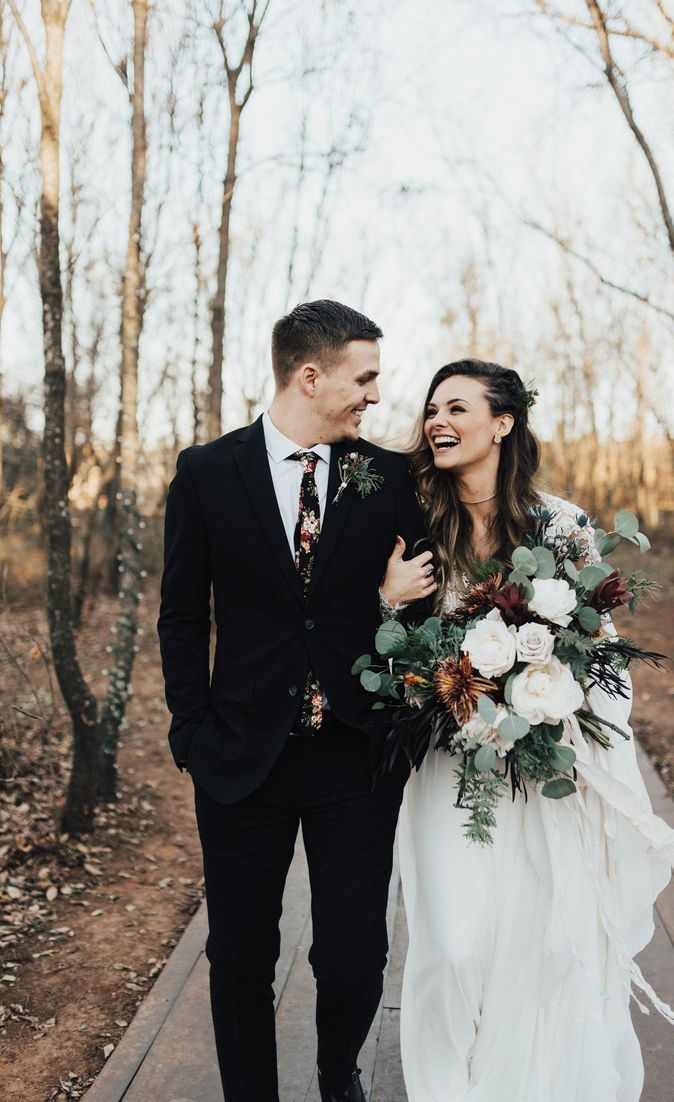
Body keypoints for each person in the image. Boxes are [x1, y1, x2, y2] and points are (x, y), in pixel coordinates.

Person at [379, 359, 674, 1102]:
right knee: (451, 947)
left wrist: (547, 705)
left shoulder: (560, 523)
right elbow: (378, 652)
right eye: (431, 409)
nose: (437, 422)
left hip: (537, 767)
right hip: (447, 769)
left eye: (457, 407)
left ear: (504, 422)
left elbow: (600, 654)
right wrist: (389, 604)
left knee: (535, 940)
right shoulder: (413, 521)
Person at [157, 300, 435, 1102]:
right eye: (365, 377)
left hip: (356, 756)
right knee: (240, 955)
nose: (376, 395)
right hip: (240, 757)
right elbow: (181, 614)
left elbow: (420, 612)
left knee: (353, 961)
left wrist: (388, 604)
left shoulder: (386, 478)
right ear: (309, 376)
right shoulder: (207, 472)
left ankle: (335, 1070)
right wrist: (191, 730)